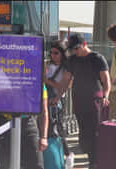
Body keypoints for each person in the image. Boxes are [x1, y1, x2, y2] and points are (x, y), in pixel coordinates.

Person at [0, 42, 49, 169]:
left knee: (36, 164)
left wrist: (44, 137)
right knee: (7, 163)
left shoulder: (34, 82)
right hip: (5, 124)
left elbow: (44, 111)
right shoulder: (2, 77)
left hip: (27, 123)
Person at [52, 33, 111, 169]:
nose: (75, 51)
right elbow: (65, 81)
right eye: (72, 49)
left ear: (84, 44)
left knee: (95, 130)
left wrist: (106, 96)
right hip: (78, 99)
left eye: (76, 48)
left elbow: (106, 80)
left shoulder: (97, 58)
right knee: (84, 131)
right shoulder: (72, 60)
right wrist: (57, 96)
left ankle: (94, 162)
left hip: (94, 98)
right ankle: (91, 156)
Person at [44, 40, 74, 169]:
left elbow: (65, 86)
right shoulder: (48, 65)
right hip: (47, 100)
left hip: (58, 101)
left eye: (56, 53)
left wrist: (48, 82)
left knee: (58, 129)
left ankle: (67, 154)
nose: (53, 55)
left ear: (62, 53)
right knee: (50, 129)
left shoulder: (66, 68)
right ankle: (59, 155)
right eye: (51, 53)